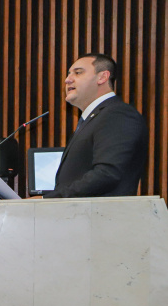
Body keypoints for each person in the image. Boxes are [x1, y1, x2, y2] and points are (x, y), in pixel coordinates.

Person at [43, 54, 146, 198]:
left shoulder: (117, 114)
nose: (67, 79)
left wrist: (49, 199)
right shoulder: (93, 118)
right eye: (68, 74)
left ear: (102, 77)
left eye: (78, 73)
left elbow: (107, 174)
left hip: (102, 211)